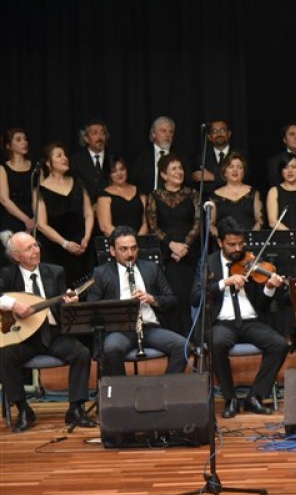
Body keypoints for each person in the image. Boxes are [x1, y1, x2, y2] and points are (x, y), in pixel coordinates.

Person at [191, 216, 289, 419]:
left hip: (251, 321)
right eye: (231, 244)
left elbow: (262, 305)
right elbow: (194, 297)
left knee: (279, 344)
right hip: (222, 322)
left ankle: (255, 396)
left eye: (241, 244)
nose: (237, 249)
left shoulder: (252, 262)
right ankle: (230, 398)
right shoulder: (208, 262)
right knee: (217, 342)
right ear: (220, 242)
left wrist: (269, 288)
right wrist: (224, 282)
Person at [0, 232, 95, 432]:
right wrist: (14, 304)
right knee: (5, 355)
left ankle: (76, 408)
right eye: (29, 248)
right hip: (24, 338)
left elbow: (62, 307)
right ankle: (23, 409)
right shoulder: (8, 275)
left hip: (53, 334)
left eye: (36, 245)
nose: (36, 251)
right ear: (16, 256)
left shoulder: (55, 271)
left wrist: (69, 303)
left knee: (81, 353)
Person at [86, 225, 188, 376]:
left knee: (183, 346)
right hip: (119, 330)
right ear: (112, 251)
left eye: (134, 248)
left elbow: (172, 300)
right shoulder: (101, 273)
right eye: (124, 249)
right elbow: (91, 306)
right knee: (111, 349)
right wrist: (121, 306)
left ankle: (166, 387)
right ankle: (121, 389)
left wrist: (152, 299)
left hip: (149, 327)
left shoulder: (151, 268)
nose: (130, 254)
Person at [146, 153, 200, 335]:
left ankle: (191, 338)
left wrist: (184, 246)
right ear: (163, 174)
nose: (179, 172)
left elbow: (198, 223)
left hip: (188, 253)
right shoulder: (154, 196)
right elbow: (153, 226)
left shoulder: (192, 194)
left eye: (180, 168)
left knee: (188, 295)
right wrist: (171, 245)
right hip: (166, 254)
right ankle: (173, 338)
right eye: (173, 169)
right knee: (171, 295)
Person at [34, 142, 95, 288]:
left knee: (86, 288)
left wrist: (86, 237)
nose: (64, 158)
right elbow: (41, 224)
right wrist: (65, 244)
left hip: (82, 247)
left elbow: (88, 213)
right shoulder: (40, 190)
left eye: (65, 155)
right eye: (59, 156)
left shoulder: (78, 182)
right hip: (56, 249)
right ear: (48, 163)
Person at [210, 152, 264, 238]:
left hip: (248, 242)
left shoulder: (254, 193)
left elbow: (260, 221)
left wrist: (248, 238)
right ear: (224, 172)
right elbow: (210, 225)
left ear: (244, 172)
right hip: (224, 243)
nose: (235, 170)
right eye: (231, 167)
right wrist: (223, 240)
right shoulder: (214, 195)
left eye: (239, 167)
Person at [96, 156, 148, 237]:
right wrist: (125, 241)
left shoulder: (139, 191)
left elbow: (146, 222)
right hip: (116, 241)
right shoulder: (104, 196)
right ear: (109, 174)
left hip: (140, 240)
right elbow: (105, 227)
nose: (119, 174)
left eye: (122, 169)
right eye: (114, 171)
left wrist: (137, 240)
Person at [193, 118, 240, 199]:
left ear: (229, 134)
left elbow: (241, 179)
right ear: (209, 137)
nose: (219, 134)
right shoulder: (202, 158)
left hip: (236, 200)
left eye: (222, 130)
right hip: (210, 201)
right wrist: (228, 179)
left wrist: (213, 177)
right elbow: (204, 187)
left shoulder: (240, 155)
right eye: (214, 131)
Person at [1, 127, 35, 234]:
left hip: (34, 216)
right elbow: (4, 199)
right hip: (12, 216)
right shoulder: (3, 168)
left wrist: (35, 218)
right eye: (18, 140)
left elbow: (41, 196)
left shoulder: (36, 167)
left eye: (25, 139)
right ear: (9, 146)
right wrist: (26, 220)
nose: (24, 142)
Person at [70, 118, 112, 205]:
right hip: (84, 208)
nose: (100, 137)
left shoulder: (113, 158)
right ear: (86, 138)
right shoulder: (75, 161)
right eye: (95, 133)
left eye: (102, 133)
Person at [133, 116, 177, 196]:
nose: (168, 135)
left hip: (174, 199)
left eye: (171, 132)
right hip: (147, 199)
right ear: (153, 134)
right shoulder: (141, 157)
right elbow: (134, 182)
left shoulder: (181, 156)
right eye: (163, 131)